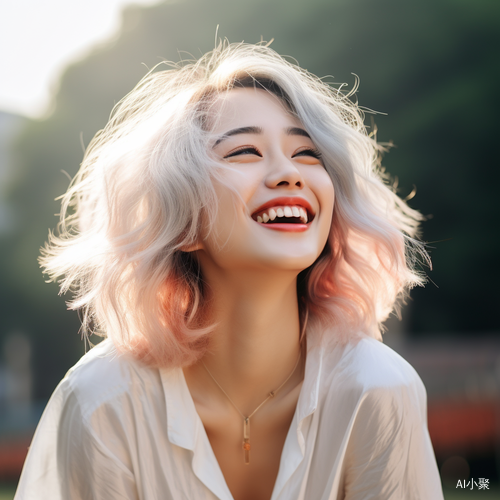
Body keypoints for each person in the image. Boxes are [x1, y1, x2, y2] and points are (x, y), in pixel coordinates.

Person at [14, 42, 444, 500]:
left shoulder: (378, 391)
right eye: (244, 152)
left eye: (307, 153)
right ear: (183, 220)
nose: (288, 173)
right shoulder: (102, 403)